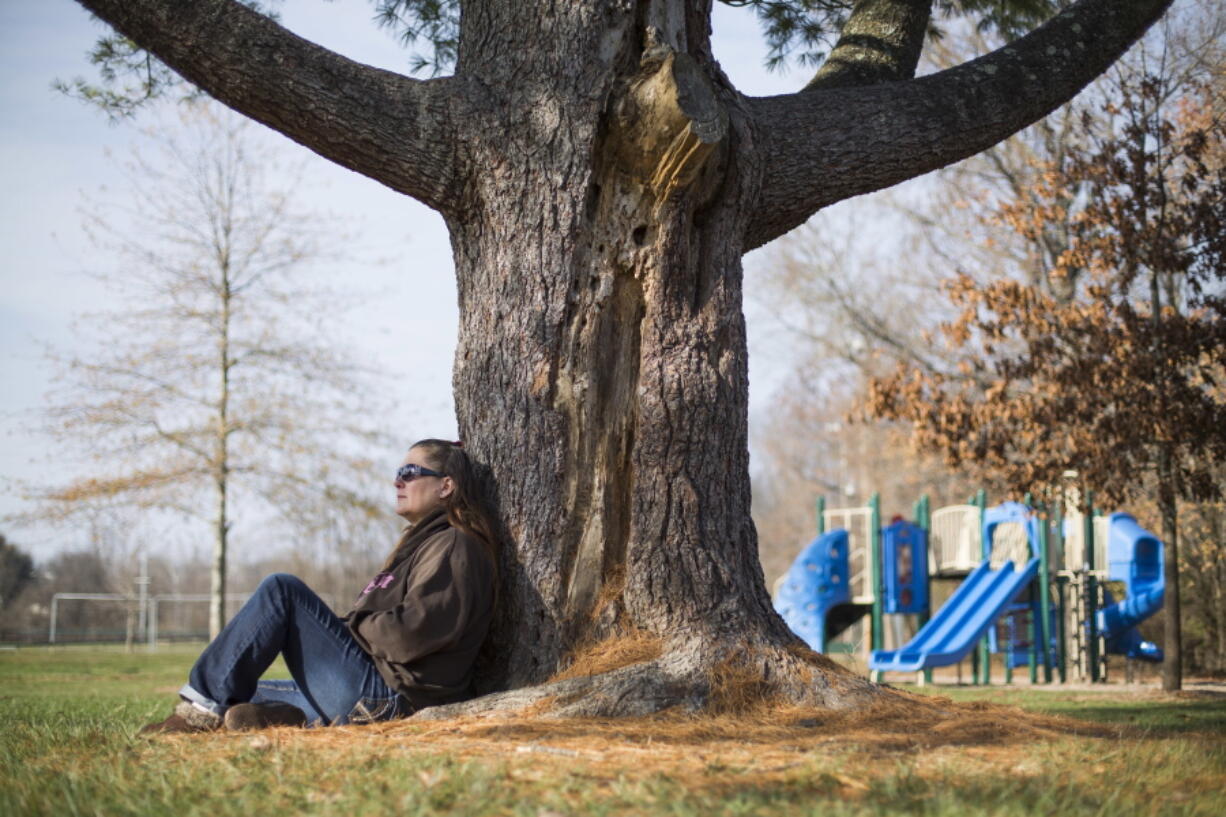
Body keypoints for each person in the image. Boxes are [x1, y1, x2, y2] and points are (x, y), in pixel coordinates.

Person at [140, 439, 498, 733]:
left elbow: (413, 633)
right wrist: (352, 628)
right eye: (397, 473)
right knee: (239, 692)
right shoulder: (419, 545)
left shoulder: (454, 545)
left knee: (283, 591)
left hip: (389, 700)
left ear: (446, 485)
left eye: (410, 473)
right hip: (368, 689)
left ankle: (198, 714)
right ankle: (283, 719)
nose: (397, 482)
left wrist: (349, 627)